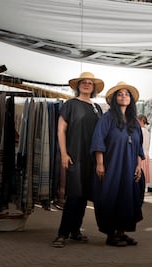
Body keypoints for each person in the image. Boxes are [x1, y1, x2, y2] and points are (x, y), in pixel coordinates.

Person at [52, 72, 104, 248]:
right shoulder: (70, 104)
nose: (87, 84)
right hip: (75, 156)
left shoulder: (97, 108)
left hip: (92, 158)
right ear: (78, 86)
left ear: (94, 88)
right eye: (84, 82)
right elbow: (61, 130)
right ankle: (62, 234)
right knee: (74, 195)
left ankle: (75, 231)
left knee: (84, 196)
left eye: (90, 83)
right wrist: (64, 154)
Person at [90, 81, 145, 247]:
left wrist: (138, 165)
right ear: (115, 99)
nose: (124, 96)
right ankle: (111, 234)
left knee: (127, 198)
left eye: (127, 94)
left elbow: (139, 147)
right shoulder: (107, 119)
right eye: (120, 94)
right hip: (112, 166)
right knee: (110, 196)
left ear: (131, 100)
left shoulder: (134, 123)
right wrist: (100, 164)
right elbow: (98, 141)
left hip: (130, 167)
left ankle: (122, 232)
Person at [137, 114, 151, 184]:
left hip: (142, 155)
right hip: (146, 154)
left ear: (141, 121)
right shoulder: (147, 131)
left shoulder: (141, 131)